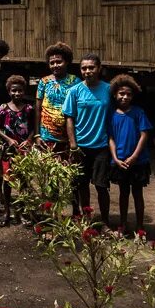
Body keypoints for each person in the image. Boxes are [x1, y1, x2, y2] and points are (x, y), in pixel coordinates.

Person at [62, 53, 113, 221]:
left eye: (91, 67)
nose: (87, 71)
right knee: (80, 184)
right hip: (80, 147)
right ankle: (85, 218)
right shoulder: (74, 91)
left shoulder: (108, 89)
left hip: (101, 146)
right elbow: (69, 118)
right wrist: (73, 145)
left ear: (99, 68)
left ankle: (104, 221)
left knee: (101, 185)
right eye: (84, 68)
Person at [107, 74, 152, 233]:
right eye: (121, 93)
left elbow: (144, 135)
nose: (125, 97)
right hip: (119, 161)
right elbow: (111, 138)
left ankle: (140, 227)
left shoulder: (139, 112)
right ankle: (123, 225)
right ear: (115, 94)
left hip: (138, 162)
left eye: (128, 94)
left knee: (137, 193)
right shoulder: (112, 114)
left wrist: (134, 157)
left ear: (133, 95)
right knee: (123, 193)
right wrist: (114, 158)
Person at [0, 75, 33, 226]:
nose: (17, 93)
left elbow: (34, 127)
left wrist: (28, 140)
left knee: (24, 182)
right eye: (14, 90)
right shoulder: (3, 109)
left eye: (20, 91)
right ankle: (7, 211)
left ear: (24, 91)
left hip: (24, 151)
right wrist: (8, 139)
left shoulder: (28, 109)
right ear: (9, 91)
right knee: (8, 182)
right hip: (8, 151)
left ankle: (23, 212)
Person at [35, 42, 79, 154]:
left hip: (68, 139)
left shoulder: (75, 82)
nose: (55, 65)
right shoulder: (44, 82)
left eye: (59, 62)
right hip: (46, 138)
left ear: (67, 62)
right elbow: (38, 109)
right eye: (52, 63)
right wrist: (37, 135)